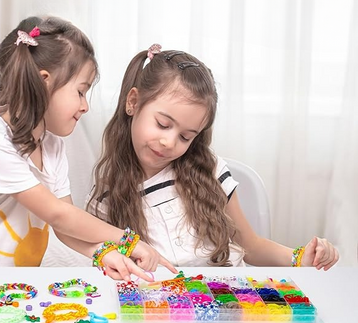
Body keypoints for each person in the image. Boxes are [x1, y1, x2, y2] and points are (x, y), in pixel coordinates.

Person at [0, 18, 177, 281]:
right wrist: (129, 240)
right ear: (45, 82)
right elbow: (59, 214)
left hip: (0, 288)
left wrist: (102, 252)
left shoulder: (52, 146)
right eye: (80, 92)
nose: (85, 106)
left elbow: (63, 227)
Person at [86, 44, 339, 270]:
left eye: (186, 137)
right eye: (163, 124)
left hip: (227, 302)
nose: (169, 142)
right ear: (133, 102)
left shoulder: (210, 171)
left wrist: (300, 257)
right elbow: (103, 259)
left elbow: (250, 245)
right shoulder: (109, 192)